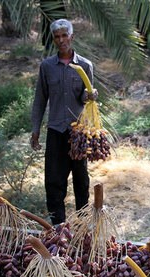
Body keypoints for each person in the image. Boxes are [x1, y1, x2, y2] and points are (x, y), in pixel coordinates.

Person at [30, 19, 98, 225]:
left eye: (64, 36)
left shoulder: (85, 65)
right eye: (57, 37)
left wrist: (90, 96)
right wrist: (35, 131)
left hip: (78, 133)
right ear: (54, 40)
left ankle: (82, 226)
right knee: (53, 181)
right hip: (56, 131)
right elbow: (40, 99)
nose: (61, 40)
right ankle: (58, 228)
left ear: (72, 37)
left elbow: (85, 99)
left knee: (81, 181)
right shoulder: (47, 66)